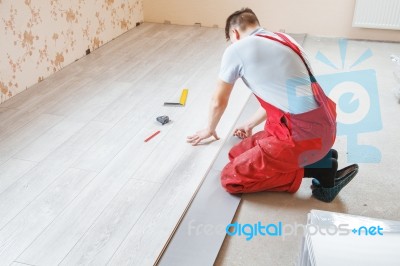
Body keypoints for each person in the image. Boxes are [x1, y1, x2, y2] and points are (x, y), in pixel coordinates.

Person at [187, 8, 358, 202]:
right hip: (320, 128)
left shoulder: (237, 49)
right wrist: (250, 124)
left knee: (231, 178)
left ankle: (319, 169)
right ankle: (322, 158)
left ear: (234, 33)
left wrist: (209, 129)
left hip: (303, 136)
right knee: (236, 153)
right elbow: (282, 99)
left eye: (232, 39)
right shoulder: (284, 40)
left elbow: (219, 100)